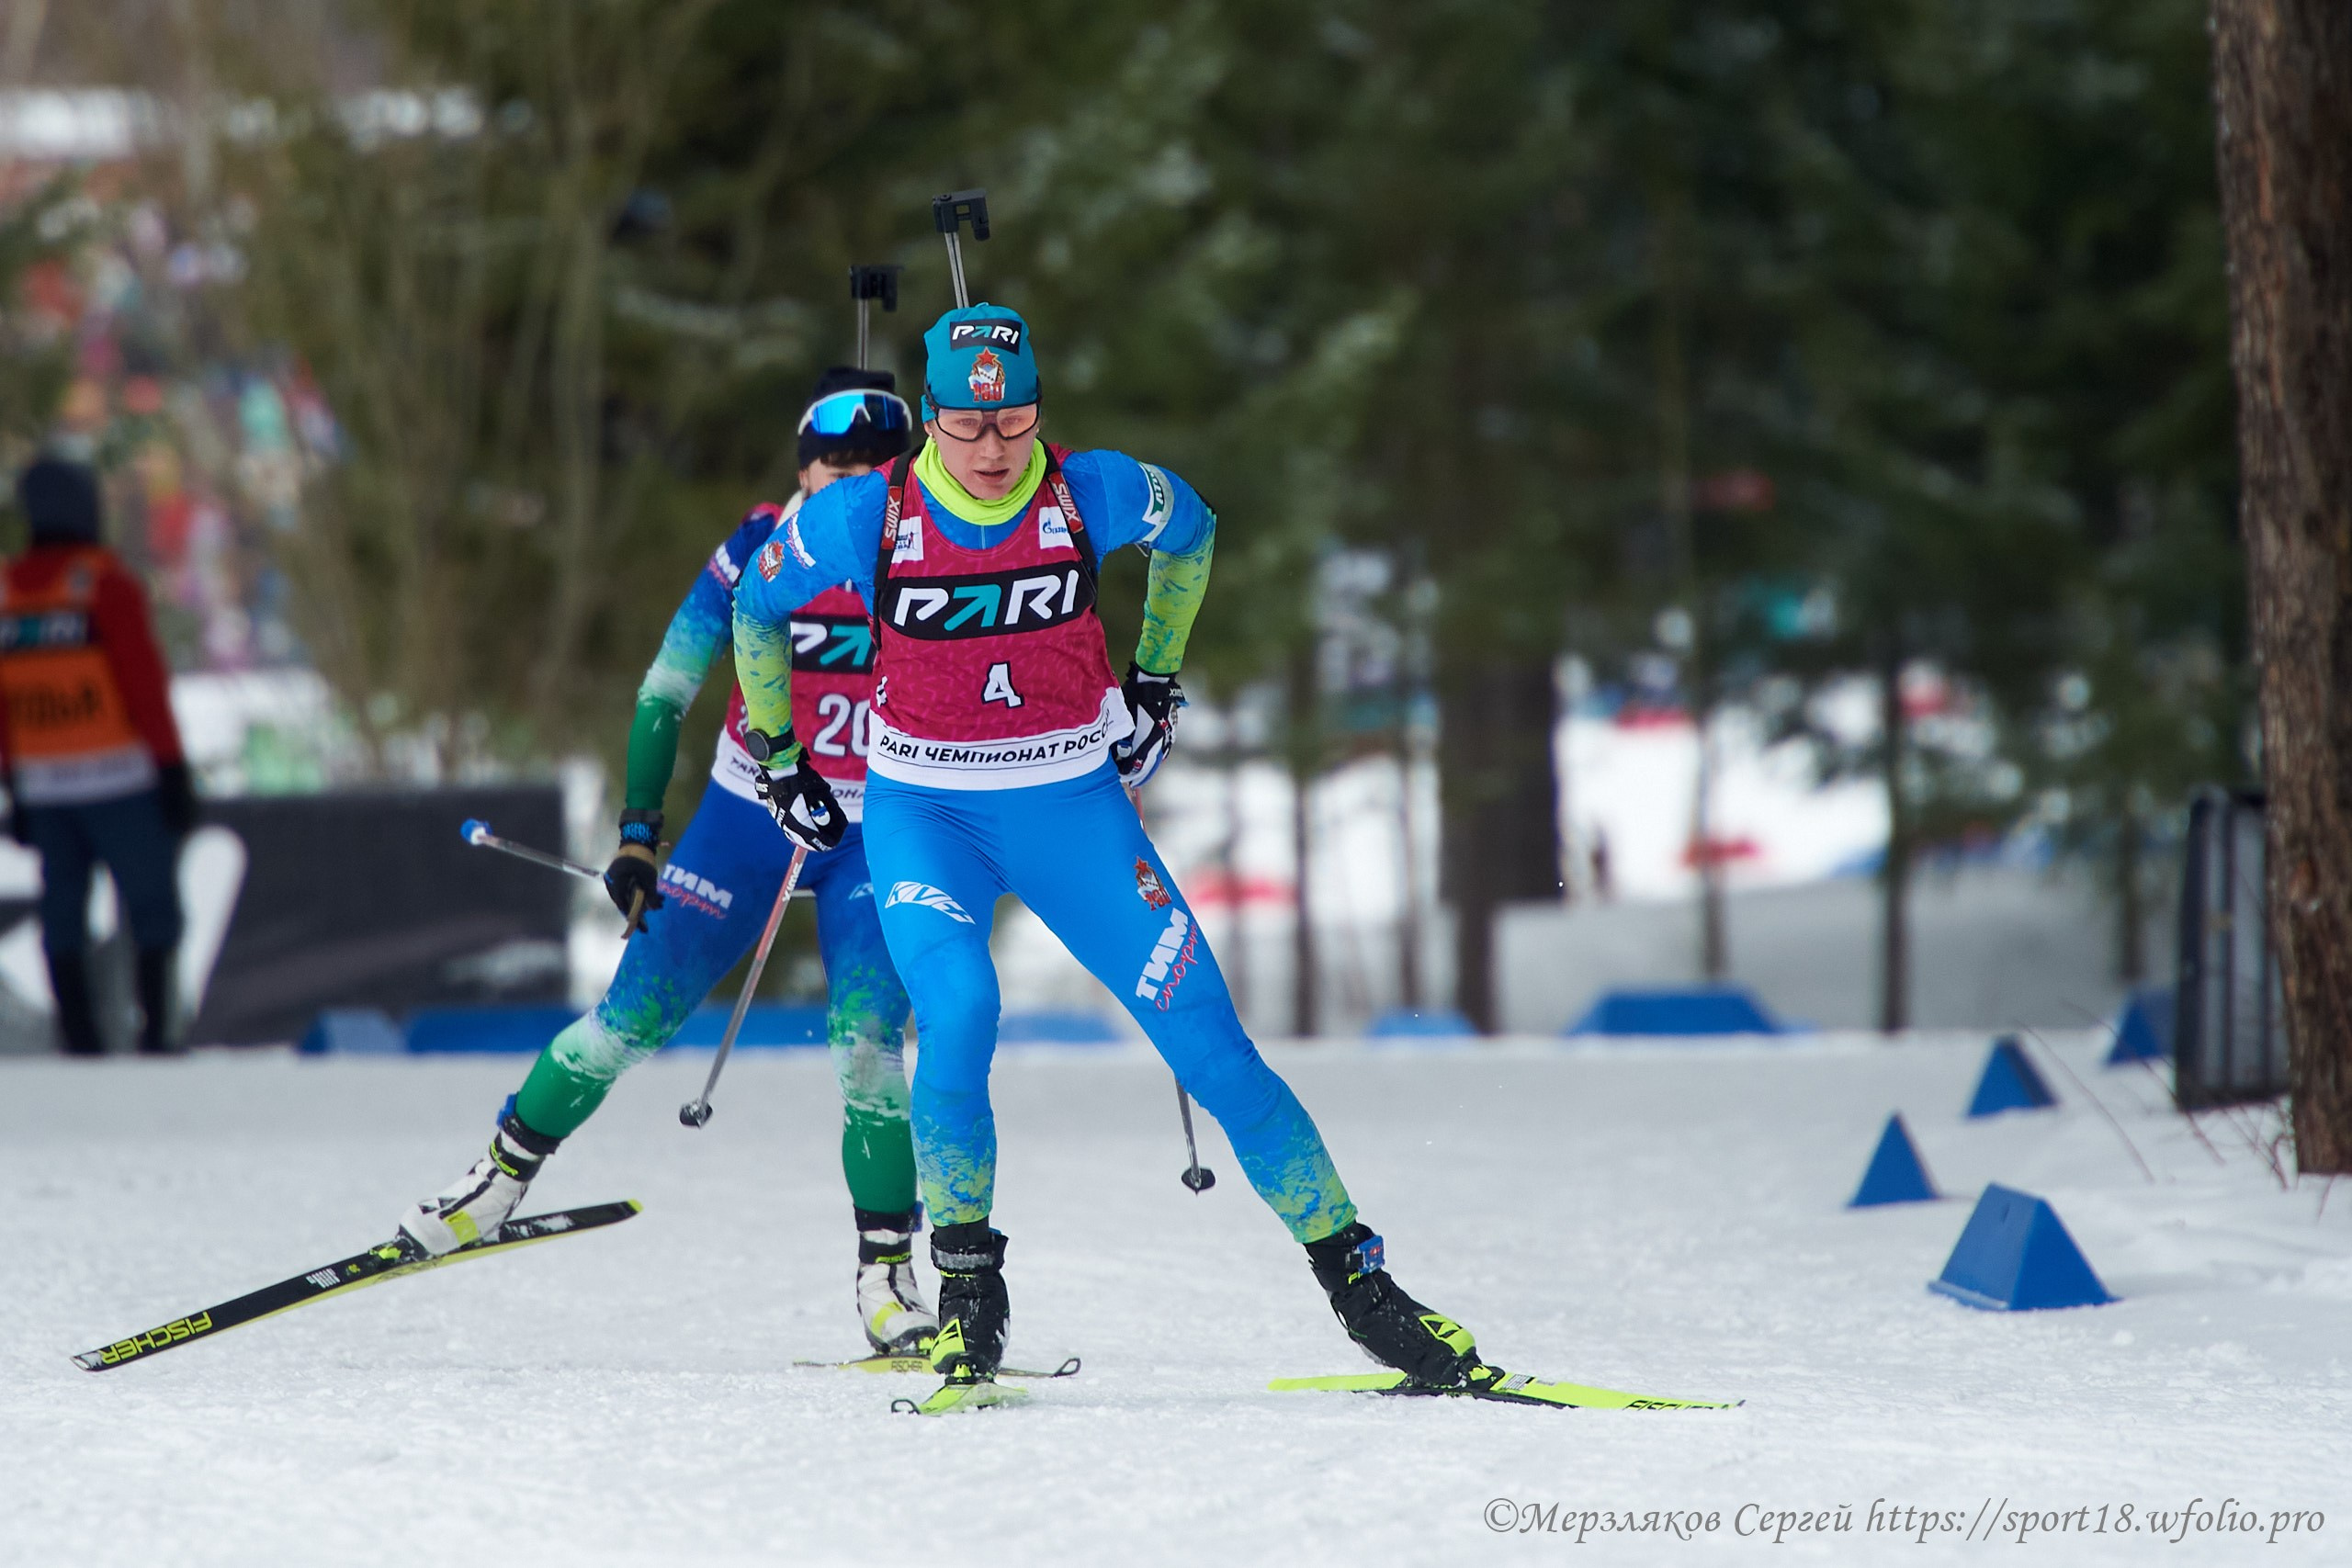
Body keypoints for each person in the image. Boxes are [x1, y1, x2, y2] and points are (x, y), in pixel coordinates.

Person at [731, 304, 1484, 1393]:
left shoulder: (1093, 489)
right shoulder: (865, 515)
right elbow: (759, 603)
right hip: (922, 816)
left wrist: (1157, 676)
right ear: (930, 421)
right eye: (966, 427)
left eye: (1015, 421)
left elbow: (1194, 532)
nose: (993, 451)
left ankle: (1364, 1289)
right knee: (961, 1011)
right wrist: (782, 755)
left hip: (1071, 807)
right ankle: (966, 1292)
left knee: (1214, 1049)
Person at [401, 369, 940, 1356]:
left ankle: (887, 1280)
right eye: (834, 467)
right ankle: (498, 1177)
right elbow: (664, 693)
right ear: (802, 470)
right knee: (627, 1021)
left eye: (877, 468)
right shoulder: (754, 548)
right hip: (751, 815)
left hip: (880, 828)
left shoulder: (937, 549)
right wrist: (639, 835)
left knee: (867, 1047)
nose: (855, 484)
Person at [0, 457, 195, 1055]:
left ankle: (80, 1040)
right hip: (120, 782)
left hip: (47, 789)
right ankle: (157, 1036)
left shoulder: (6, 591)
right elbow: (143, 683)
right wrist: (170, 767)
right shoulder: (104, 584)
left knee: (63, 914)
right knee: (152, 908)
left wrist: (15, 786)